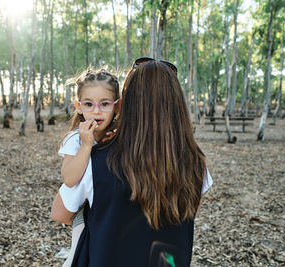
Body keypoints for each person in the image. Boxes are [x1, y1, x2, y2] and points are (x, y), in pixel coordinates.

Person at [51, 58, 213, 267]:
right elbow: (191, 213)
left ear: (126, 102)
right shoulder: (195, 164)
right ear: (177, 104)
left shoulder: (97, 159)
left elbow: (59, 213)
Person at [51, 69, 121, 267]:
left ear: (117, 106)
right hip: (84, 219)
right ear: (78, 106)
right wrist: (87, 144)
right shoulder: (75, 139)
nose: (96, 111)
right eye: (89, 104)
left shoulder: (121, 136)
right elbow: (70, 178)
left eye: (105, 104)